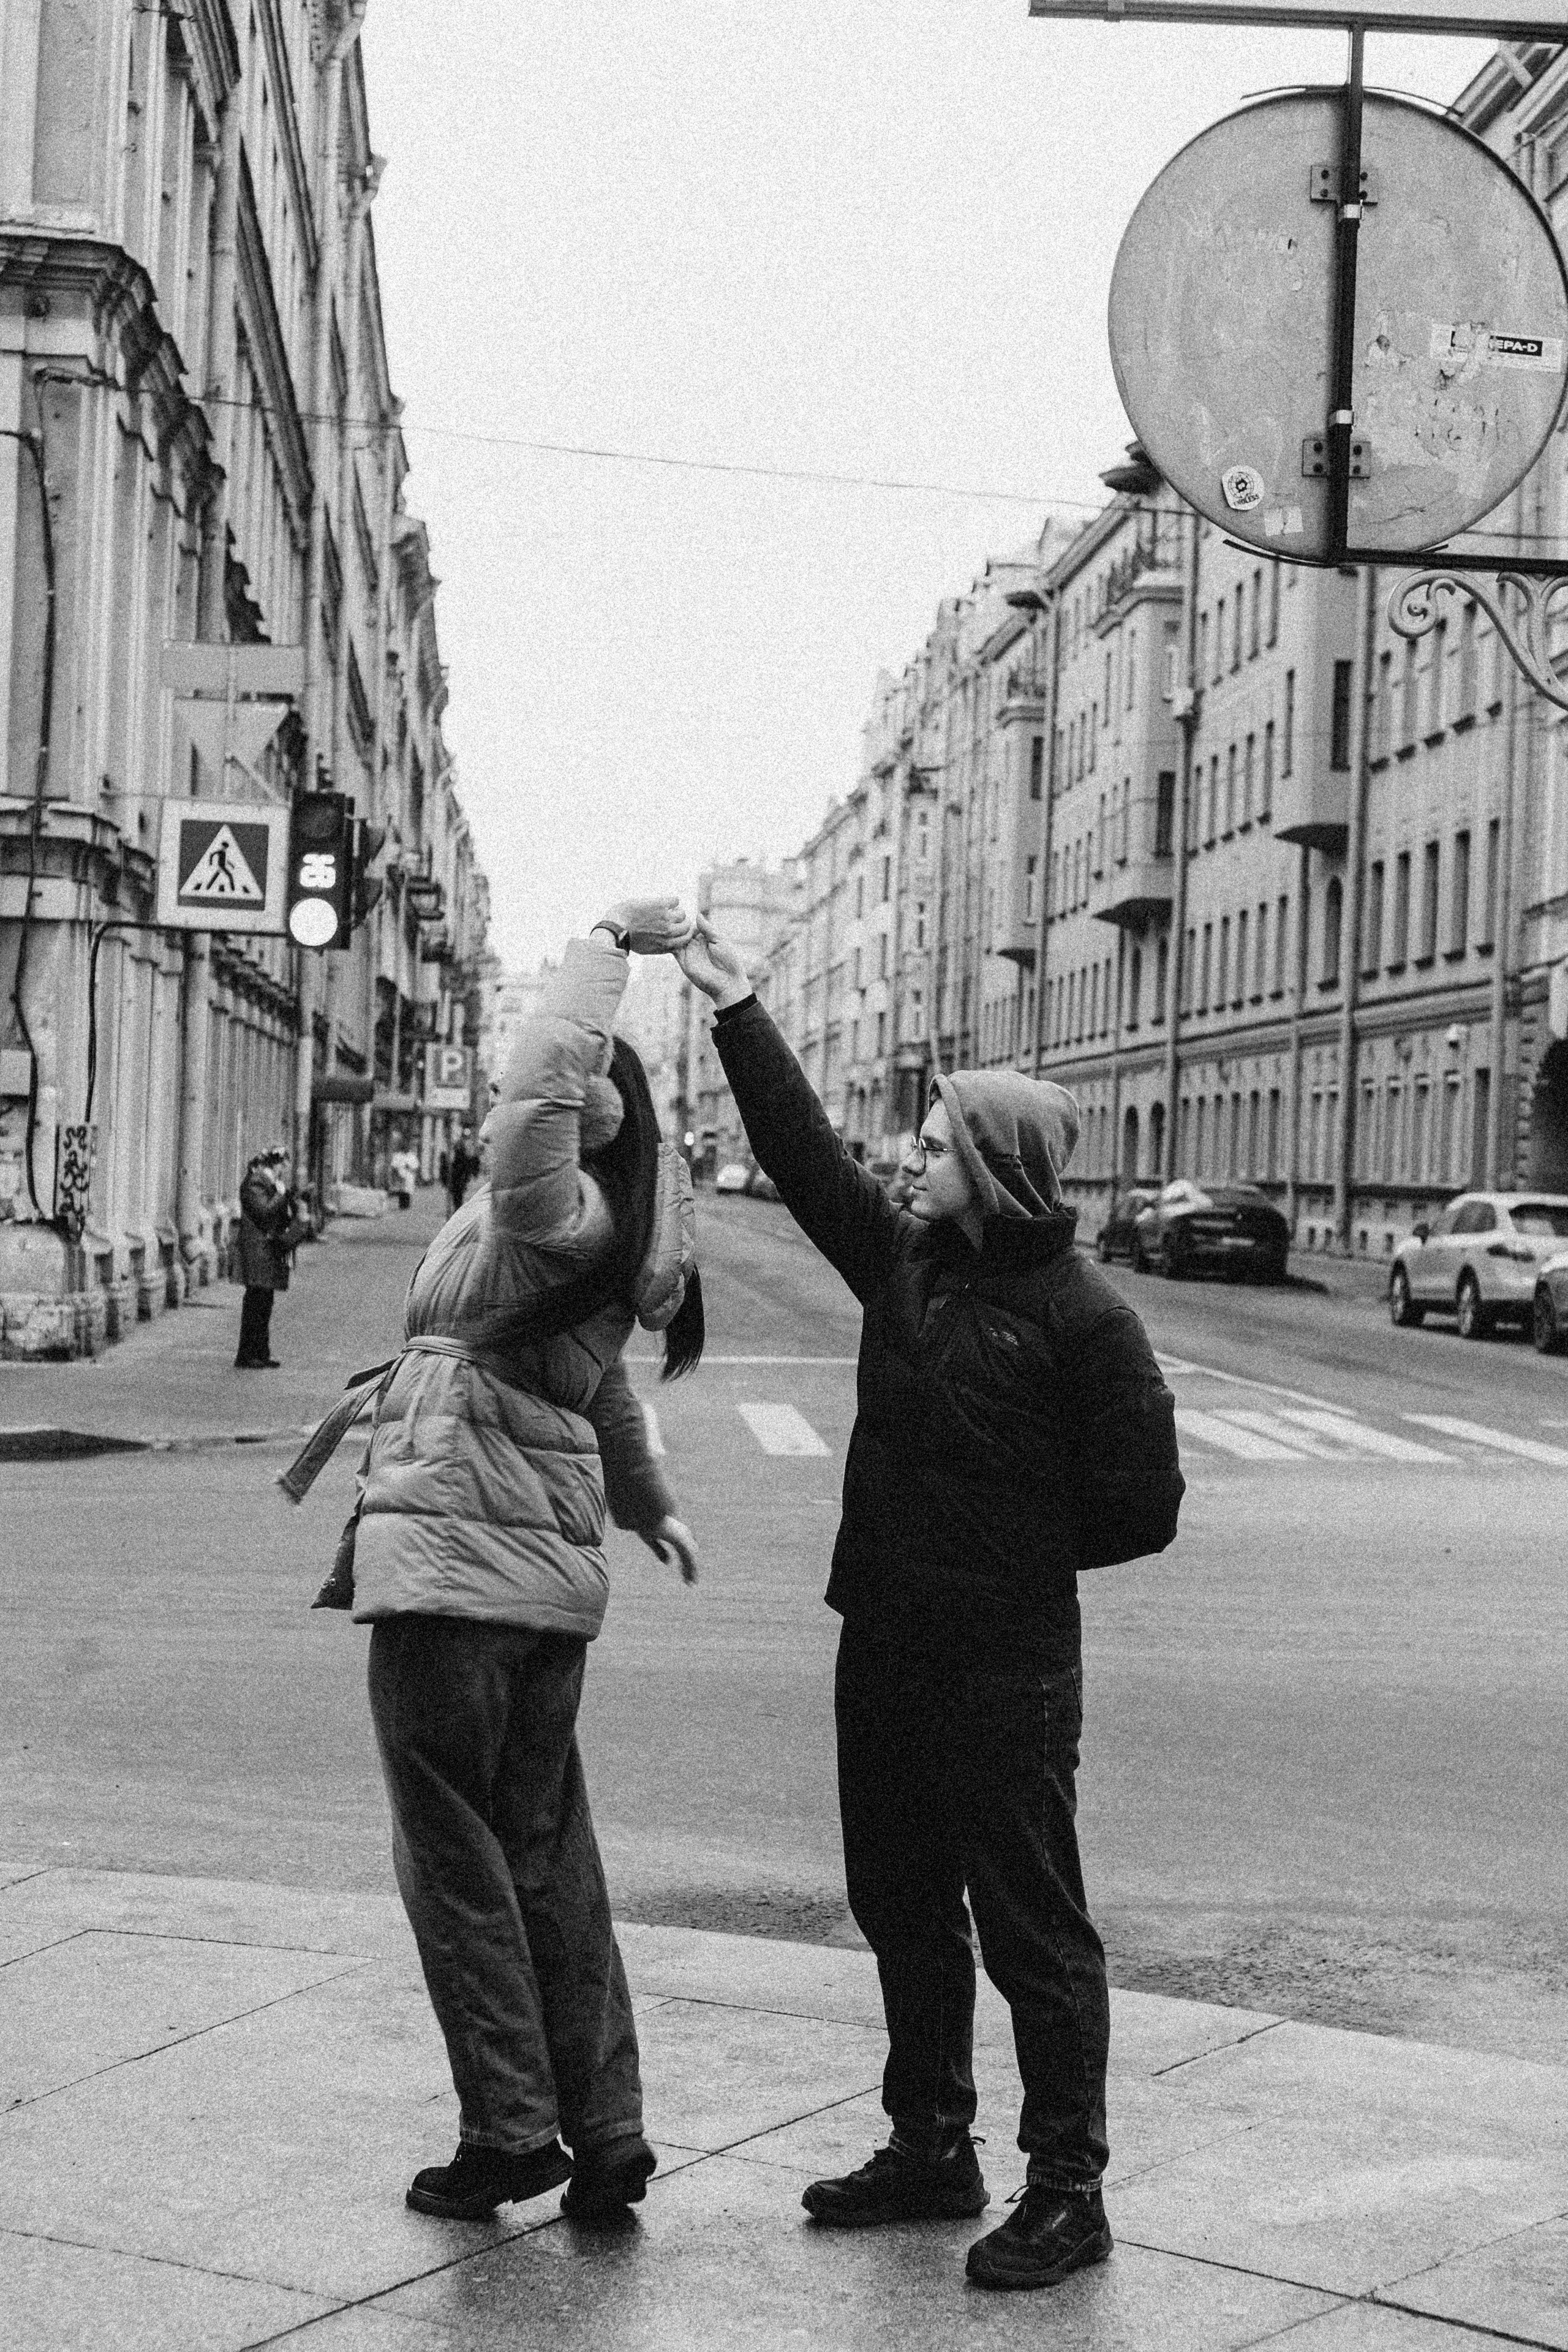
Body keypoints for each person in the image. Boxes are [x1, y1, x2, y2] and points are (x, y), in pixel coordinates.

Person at [678, 916, 1183, 2295]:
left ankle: (1067, 2191)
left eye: (932, 1143)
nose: (905, 1156)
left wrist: (999, 1555)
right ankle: (930, 2146)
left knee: (1033, 1931)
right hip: (884, 1643)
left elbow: (1142, 1509)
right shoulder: (904, 1269)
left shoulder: (1085, 1320)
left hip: (1004, 1664)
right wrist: (736, 1010)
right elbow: (801, 1158)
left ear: (994, 1173)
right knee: (898, 1899)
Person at [347, 901, 706, 2228]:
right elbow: (593, 1388)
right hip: (537, 1575)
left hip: (454, 1567)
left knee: (455, 1860)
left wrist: (607, 942)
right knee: (549, 1860)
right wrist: (647, 1498)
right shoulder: (608, 1231)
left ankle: (511, 2133)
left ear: (578, 1112)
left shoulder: (545, 1201)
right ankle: (606, 2134)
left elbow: (538, 1076)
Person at [234, 1145, 304, 1370]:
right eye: (283, 1165)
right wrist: (281, 1195)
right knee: (256, 1302)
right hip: (257, 1251)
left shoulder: (269, 1184)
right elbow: (263, 1212)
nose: (285, 1169)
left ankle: (261, 1353)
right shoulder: (256, 1183)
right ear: (275, 1164)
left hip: (268, 1250)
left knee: (265, 1303)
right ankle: (247, 1355)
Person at [448, 1126, 479, 1214]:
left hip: (463, 1170)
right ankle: (457, 1206)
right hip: (459, 1170)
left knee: (460, 1190)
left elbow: (473, 1159)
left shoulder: (469, 1145)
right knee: (457, 1190)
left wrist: (473, 1171)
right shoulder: (459, 1144)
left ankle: (458, 1206)